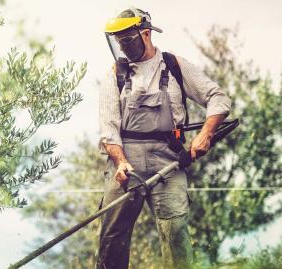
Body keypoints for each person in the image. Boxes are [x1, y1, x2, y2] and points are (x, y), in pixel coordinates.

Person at [96, 7, 232, 269]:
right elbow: (108, 131)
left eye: (127, 40)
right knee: (112, 238)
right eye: (118, 41)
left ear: (145, 34)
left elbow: (219, 98)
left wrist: (206, 134)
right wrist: (121, 161)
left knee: (175, 234)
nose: (122, 47)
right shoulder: (115, 74)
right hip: (126, 165)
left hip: (169, 161)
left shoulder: (174, 66)